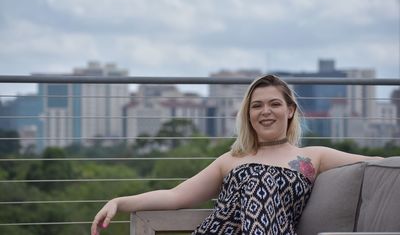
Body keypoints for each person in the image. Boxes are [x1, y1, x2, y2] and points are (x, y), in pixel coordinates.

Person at [91, 75, 381, 235]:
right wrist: (119, 201)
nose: (265, 112)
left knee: (263, 184)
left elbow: (377, 164)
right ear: (249, 114)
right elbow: (176, 196)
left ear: (290, 110)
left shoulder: (312, 157)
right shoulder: (231, 160)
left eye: (274, 104)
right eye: (257, 106)